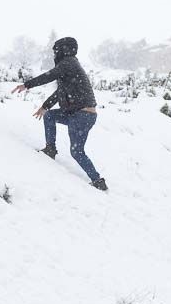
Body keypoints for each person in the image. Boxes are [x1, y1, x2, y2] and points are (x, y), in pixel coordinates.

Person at [12, 37, 107, 191]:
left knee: (76, 151)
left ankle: (97, 180)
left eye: (57, 50)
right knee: (50, 116)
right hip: (79, 114)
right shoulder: (69, 67)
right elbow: (60, 92)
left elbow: (49, 75)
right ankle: (50, 149)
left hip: (82, 115)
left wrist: (27, 85)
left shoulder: (69, 63)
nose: (55, 53)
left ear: (65, 50)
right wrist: (44, 107)